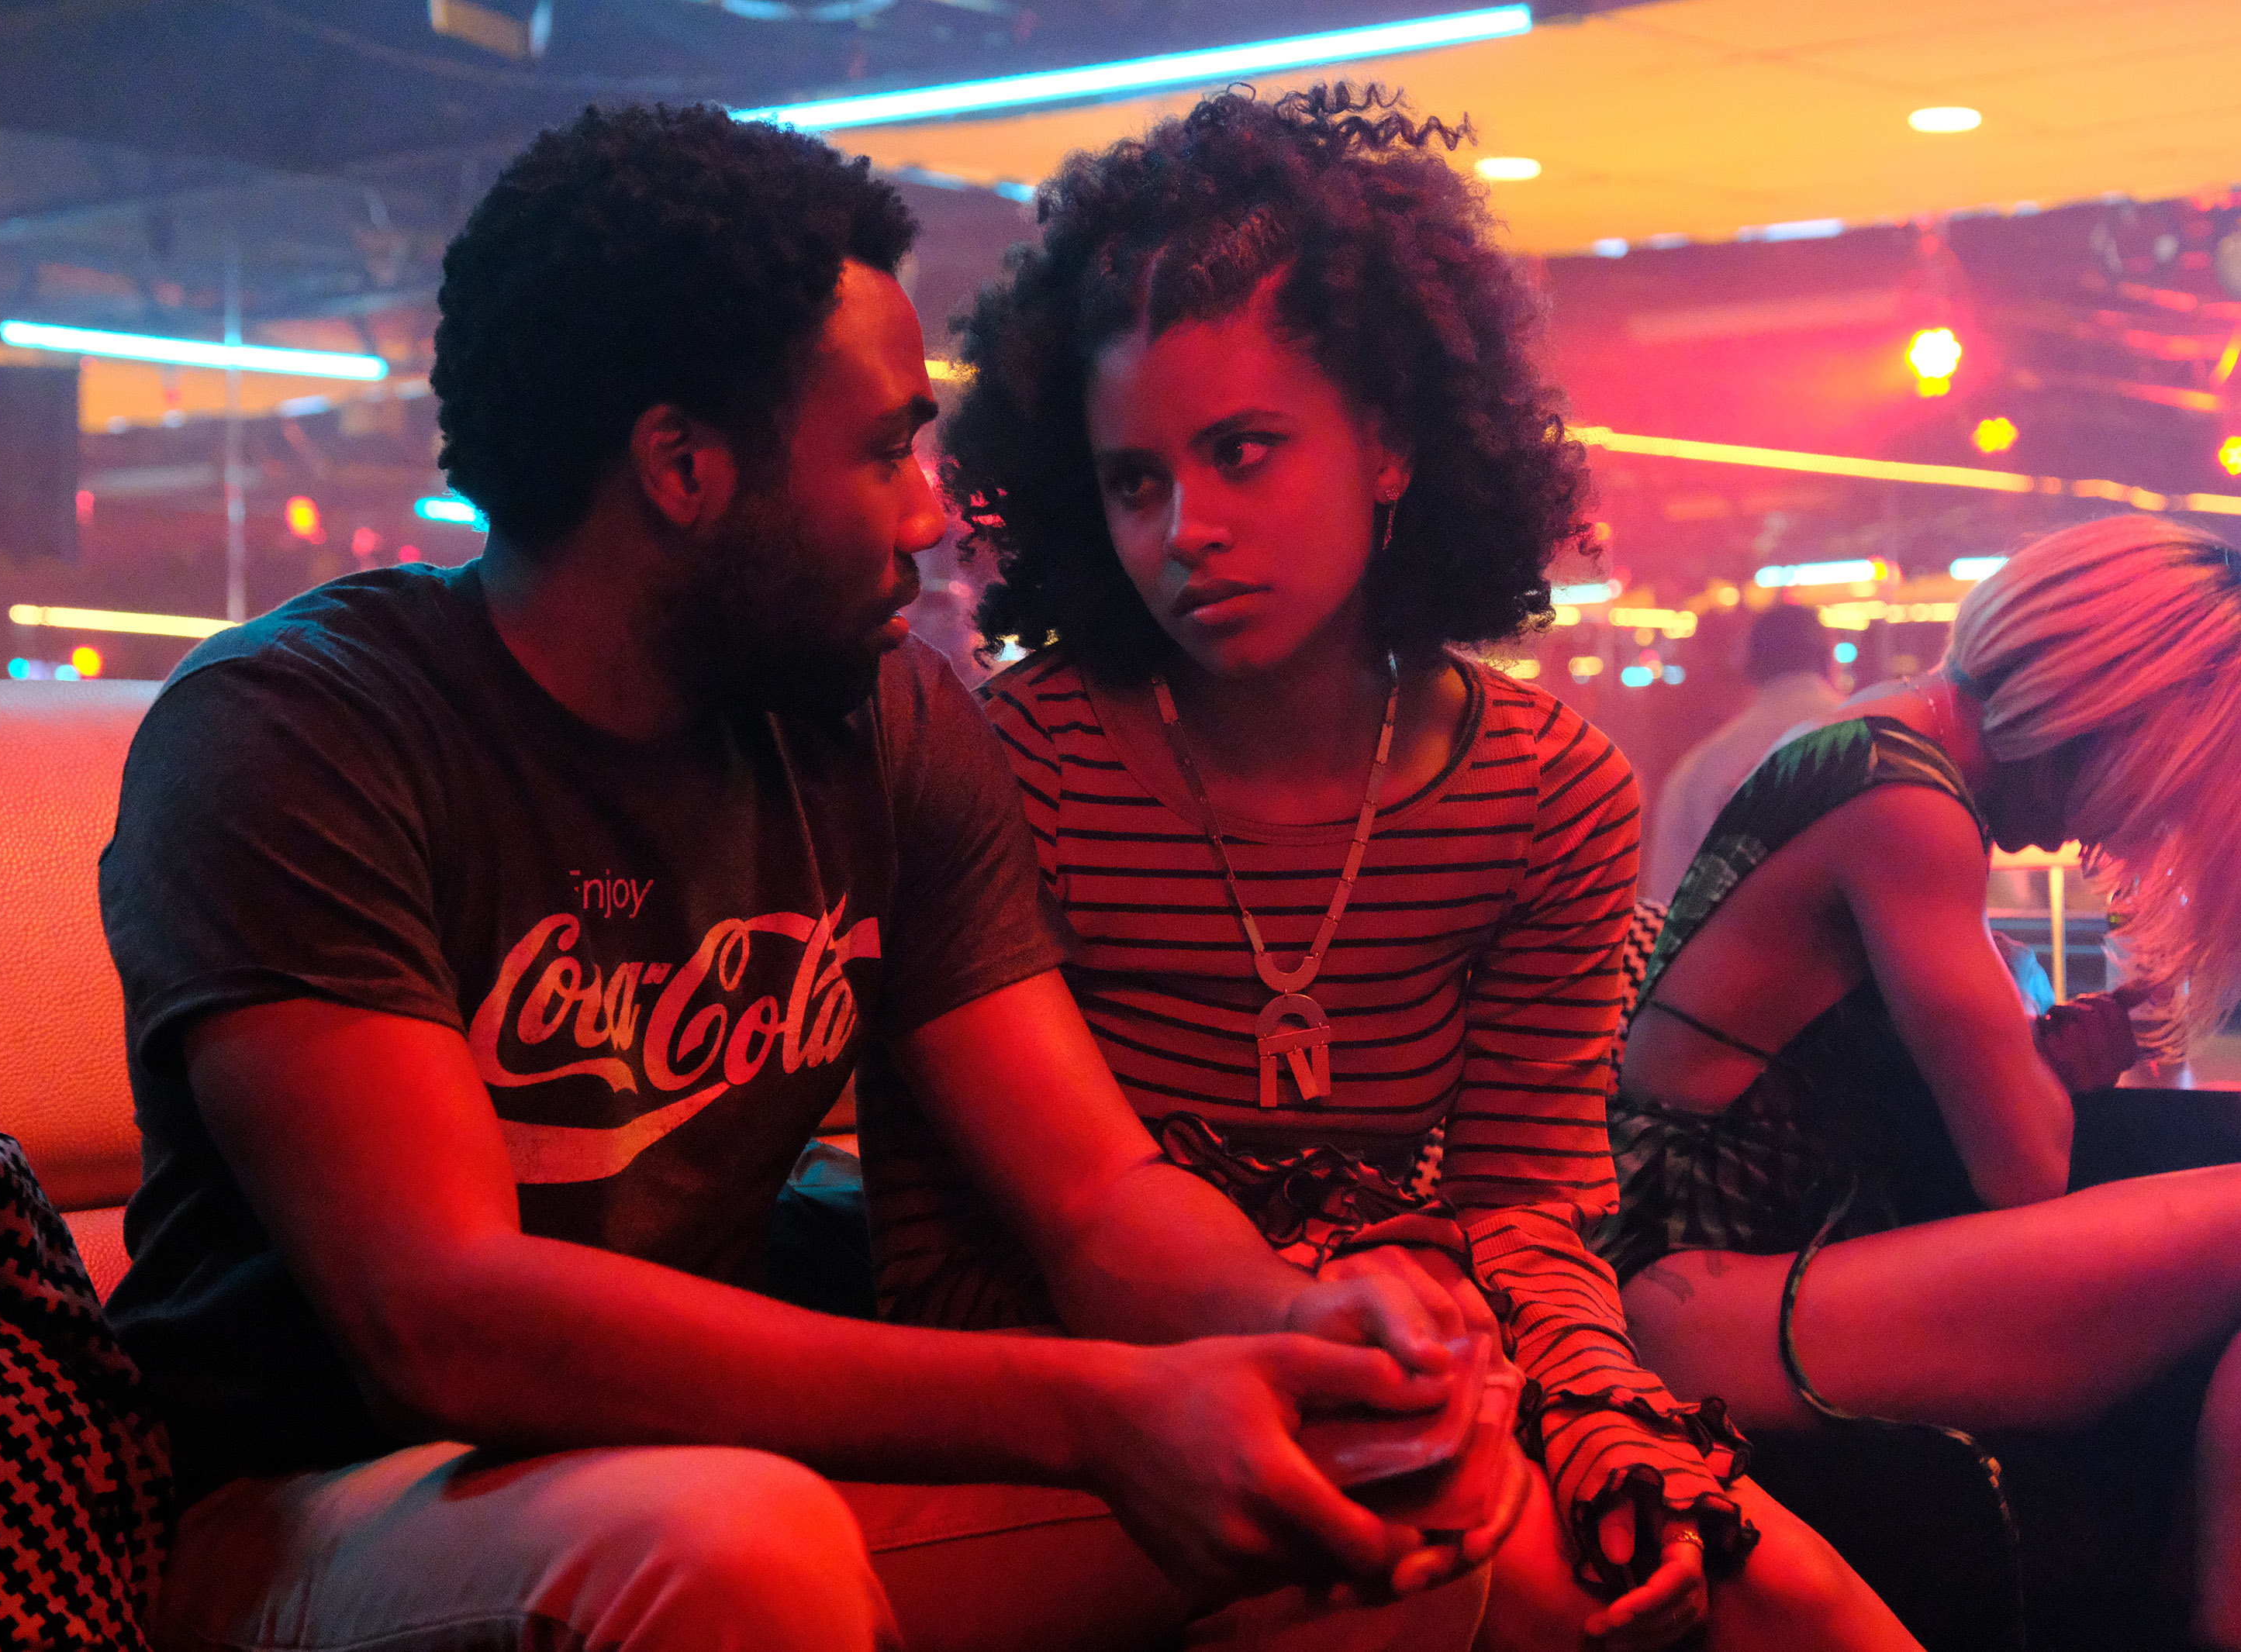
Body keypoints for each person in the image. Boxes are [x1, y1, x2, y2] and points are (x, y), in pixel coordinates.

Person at [97, 104, 1525, 1652]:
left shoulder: (881, 723)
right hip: (317, 1512)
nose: (932, 512)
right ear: (683, 466)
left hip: (712, 1474)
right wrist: (1092, 1408)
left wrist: (1298, 1320)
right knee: (730, 1543)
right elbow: (442, 1316)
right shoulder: (300, 732)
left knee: (1384, 1497)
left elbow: (1094, 1193)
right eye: (885, 449)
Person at [895, 84, 1917, 1652]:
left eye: (1244, 452)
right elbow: (975, 1246)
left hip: (1407, 1365)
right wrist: (1355, 1329)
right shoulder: (1012, 765)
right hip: (1086, 1402)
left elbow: (1526, 1209)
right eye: (1135, 480)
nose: (1186, 529)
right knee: (1528, 1570)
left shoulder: (1547, 789)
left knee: (1781, 1594)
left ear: (1388, 444)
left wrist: (1607, 1423)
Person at [1603, 516, 2241, 1645]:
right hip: (1702, 1296)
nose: (2114, 824)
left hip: (1736, 1265)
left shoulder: (1876, 743)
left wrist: (2049, 1068)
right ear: (2113, 712)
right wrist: (2051, 1079)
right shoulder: (1908, 806)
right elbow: (2022, 1170)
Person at [1642, 604, 1843, 900]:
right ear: (1830, 661)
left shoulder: (1698, 769)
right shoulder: (1882, 742)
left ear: (1750, 668)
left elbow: (1664, 903)